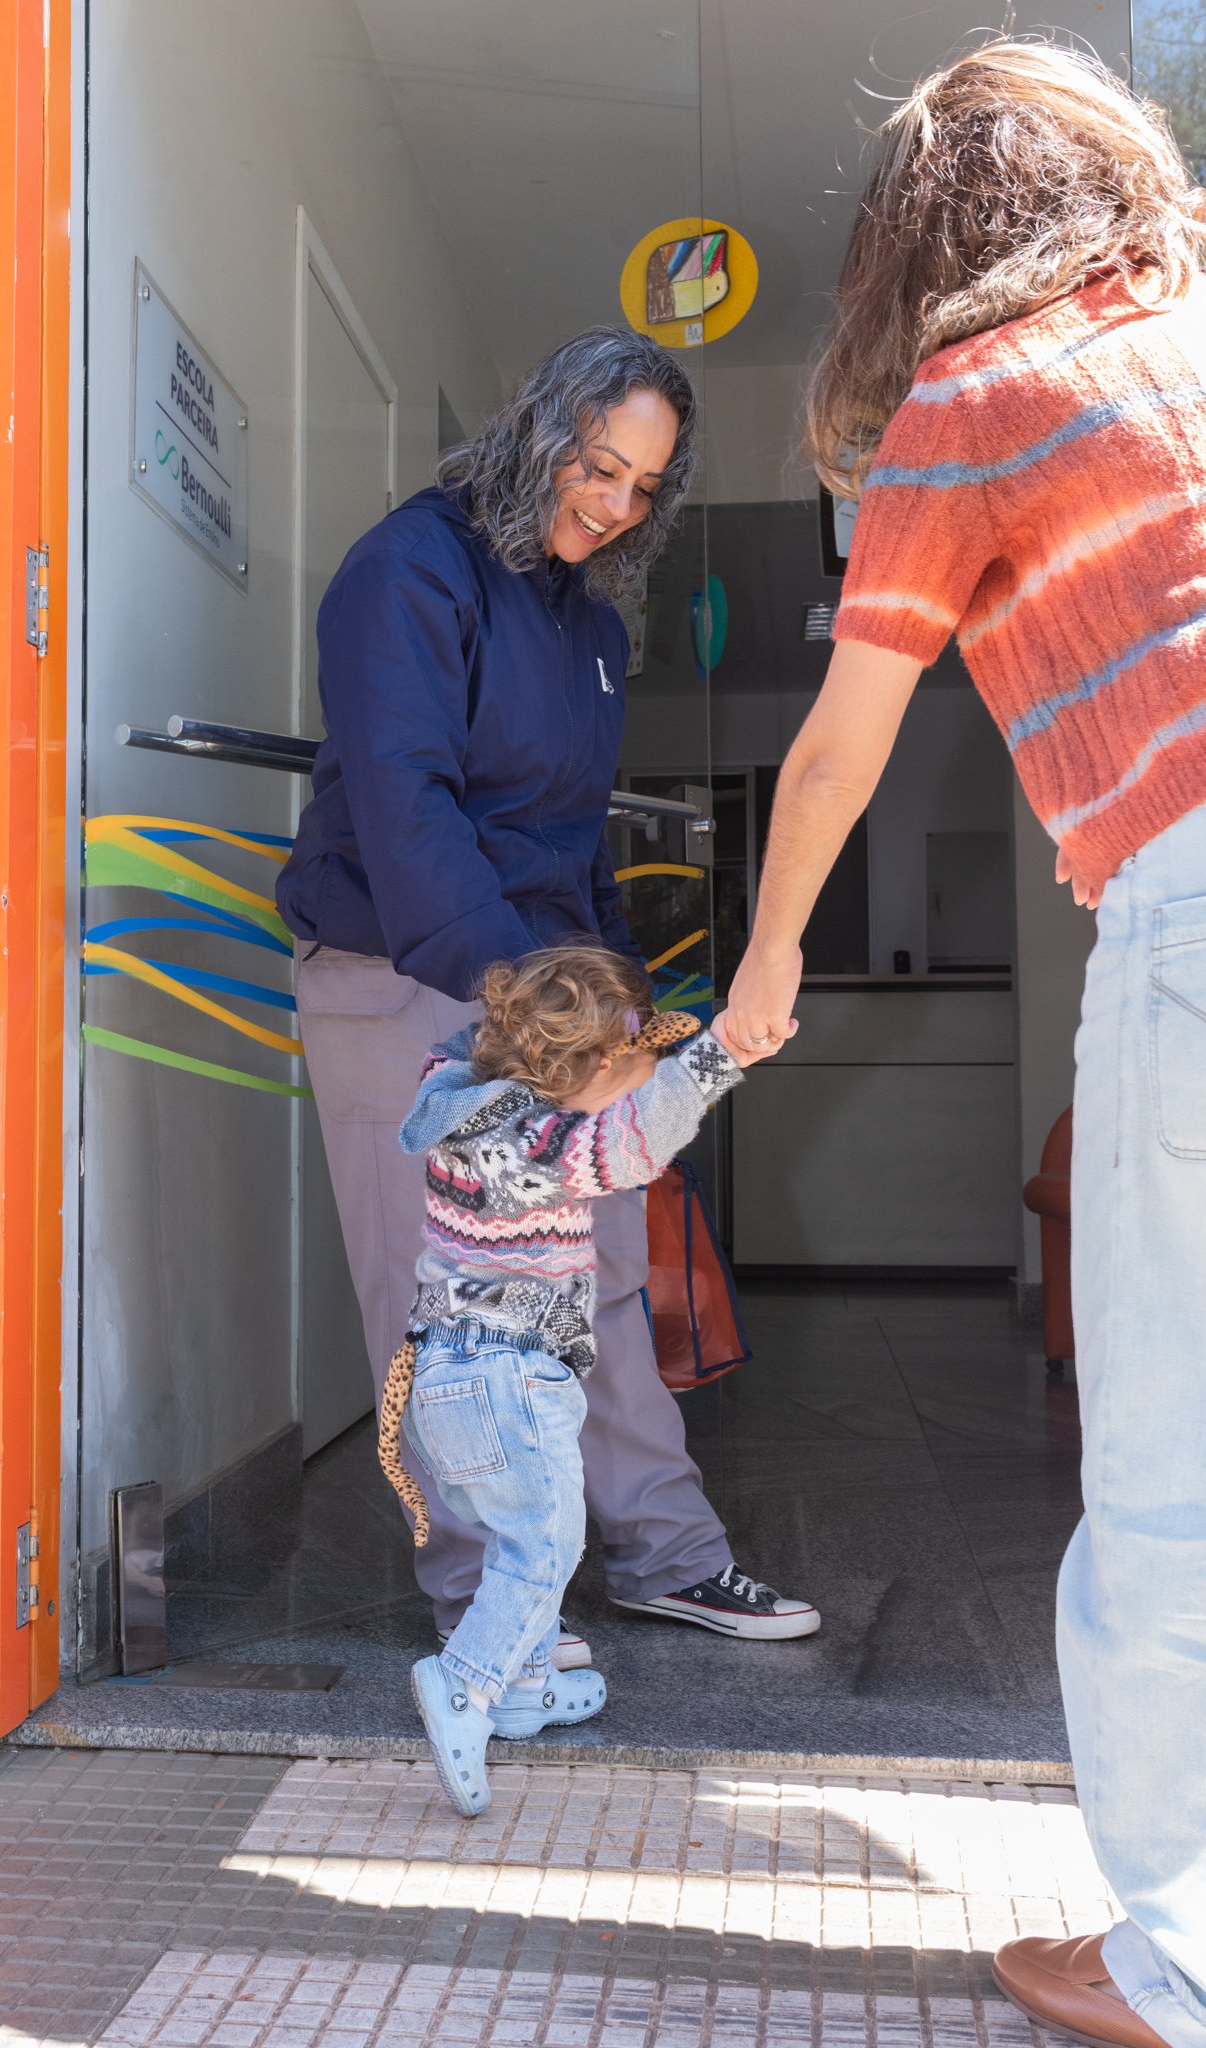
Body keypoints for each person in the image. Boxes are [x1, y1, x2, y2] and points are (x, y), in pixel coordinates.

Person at [721, 40, 1206, 2048]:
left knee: (1188, 1472)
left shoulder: (969, 396)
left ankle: (1197, 1969)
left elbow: (842, 738)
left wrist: (764, 966)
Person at [276, 325, 819, 1664]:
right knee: (442, 1295)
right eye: (594, 464)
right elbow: (408, 805)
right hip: (408, 976)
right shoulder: (408, 569)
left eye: (642, 485)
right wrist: (517, 992)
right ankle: (484, 1598)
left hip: (548, 997)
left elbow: (572, 836)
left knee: (611, 1272)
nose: (613, 502)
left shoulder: (584, 627)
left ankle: (667, 1556)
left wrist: (618, 1014)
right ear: (536, 430)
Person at [383, 945, 750, 1816]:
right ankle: (464, 1684)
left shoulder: (456, 1089)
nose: (633, 1087)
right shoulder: (533, 1148)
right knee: (542, 1548)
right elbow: (629, 1143)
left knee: (515, 1536)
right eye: (626, 1071)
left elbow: (544, 1061)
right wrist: (719, 1055)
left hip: (449, 1370)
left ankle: (525, 1685)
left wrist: (632, 1035)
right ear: (577, 1068)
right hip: (509, 1377)